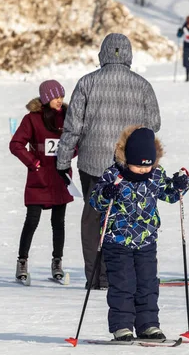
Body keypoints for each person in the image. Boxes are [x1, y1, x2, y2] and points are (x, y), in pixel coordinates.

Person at [56, 33, 161, 290]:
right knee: (128, 217)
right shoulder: (143, 85)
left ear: (102, 53)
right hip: (131, 165)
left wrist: (62, 161)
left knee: (94, 218)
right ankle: (122, 275)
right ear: (129, 55)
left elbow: (72, 128)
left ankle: (96, 276)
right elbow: (154, 124)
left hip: (93, 162)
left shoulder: (87, 83)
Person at [90, 126, 189, 341]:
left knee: (147, 284)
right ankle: (122, 326)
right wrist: (106, 194)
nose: (144, 170)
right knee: (123, 284)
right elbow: (96, 201)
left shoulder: (156, 175)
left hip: (146, 240)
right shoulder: (113, 175)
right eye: (138, 166)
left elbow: (170, 194)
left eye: (148, 165)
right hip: (117, 240)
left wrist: (181, 185)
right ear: (127, 159)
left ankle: (148, 325)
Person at [10, 80, 73, 281]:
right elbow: (16, 144)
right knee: (32, 220)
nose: (59, 100)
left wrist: (69, 154)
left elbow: (76, 141)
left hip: (60, 176)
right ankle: (22, 261)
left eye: (61, 96)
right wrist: (33, 162)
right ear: (46, 99)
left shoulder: (68, 116)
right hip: (39, 177)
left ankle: (57, 262)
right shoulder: (32, 119)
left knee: (58, 222)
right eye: (55, 97)